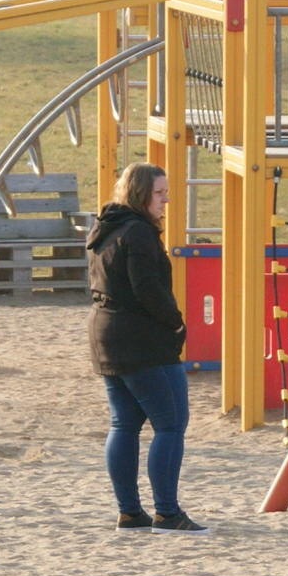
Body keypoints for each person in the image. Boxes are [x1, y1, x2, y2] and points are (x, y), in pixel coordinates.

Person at [87, 163, 202, 533]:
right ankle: (167, 513)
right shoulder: (138, 233)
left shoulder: (105, 228)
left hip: (105, 334)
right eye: (159, 193)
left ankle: (129, 512)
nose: (166, 200)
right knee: (170, 425)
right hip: (141, 339)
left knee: (124, 424)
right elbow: (147, 288)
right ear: (140, 194)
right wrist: (176, 322)